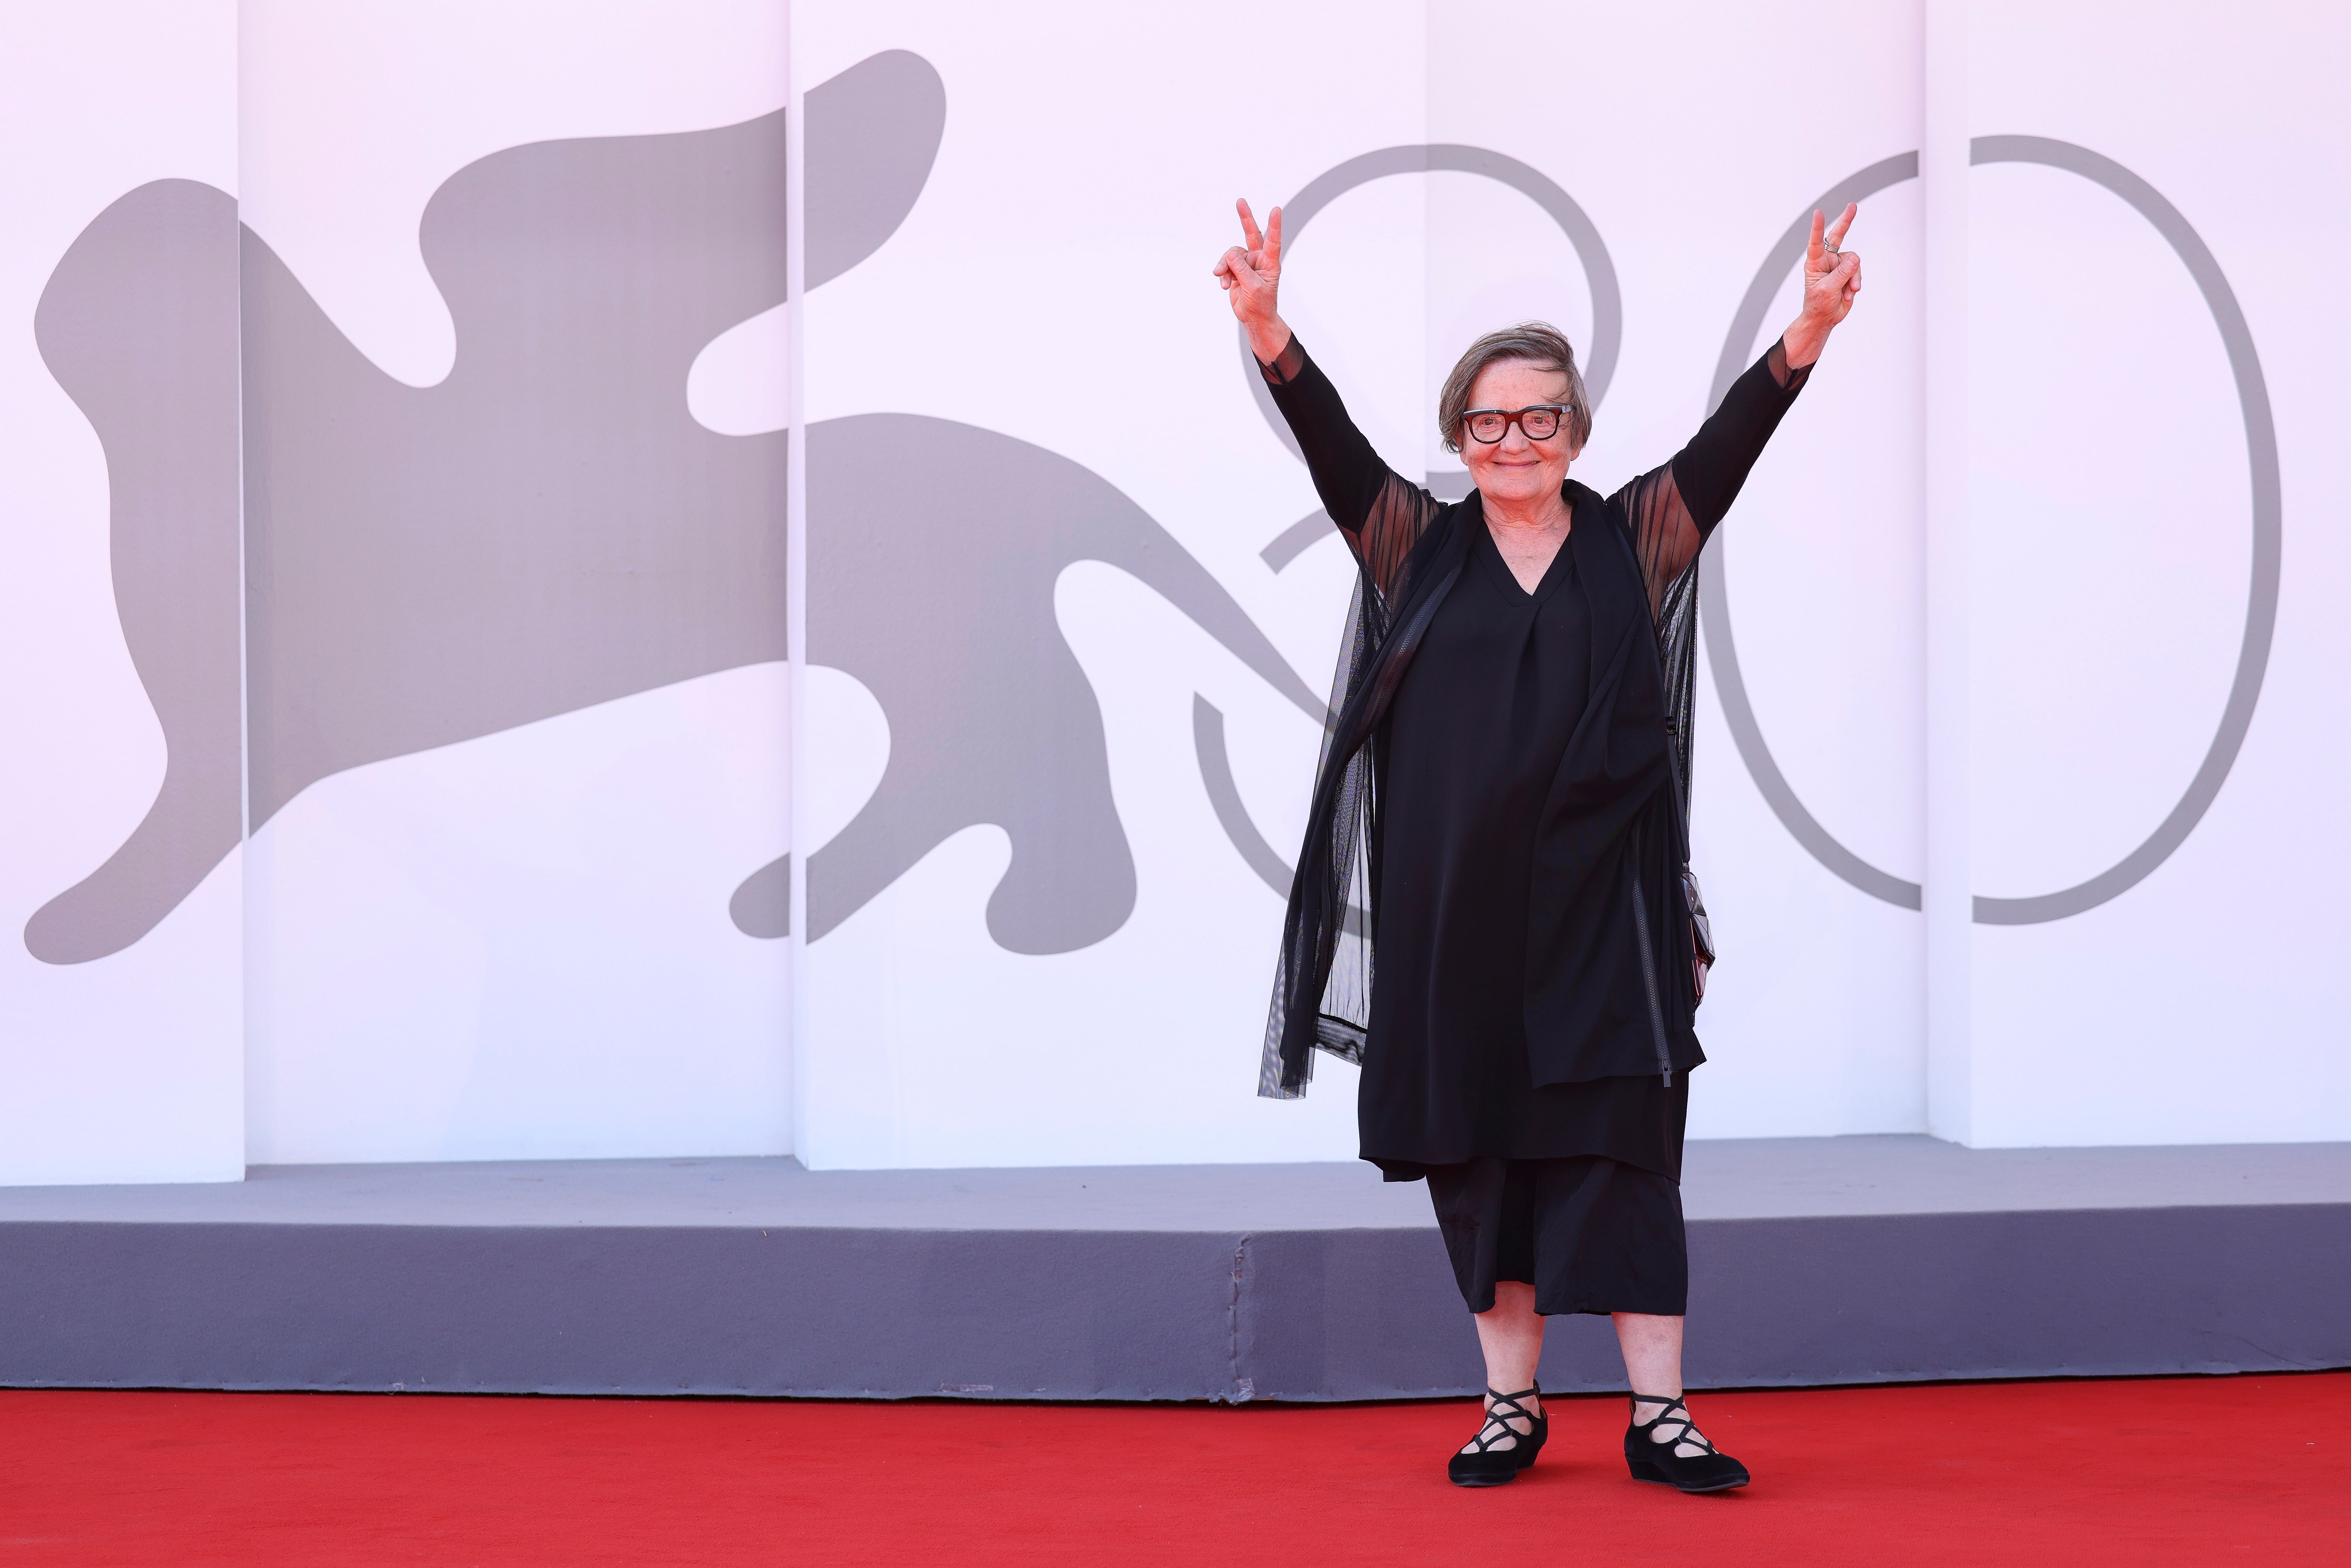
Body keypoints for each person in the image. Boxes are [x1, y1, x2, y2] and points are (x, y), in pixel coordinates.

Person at [1214, 196, 1862, 1492]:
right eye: (1488, 421)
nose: (1513, 441)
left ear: (1575, 430)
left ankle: (1660, 1416)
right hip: (1456, 921)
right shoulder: (1414, 543)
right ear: (1459, 436)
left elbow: (1727, 448)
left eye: (1539, 418)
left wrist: (1807, 332)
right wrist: (1268, 331)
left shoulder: (1636, 539)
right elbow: (1330, 447)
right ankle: (1508, 1406)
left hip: (1605, 919)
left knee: (1627, 1155)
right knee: (1481, 1158)